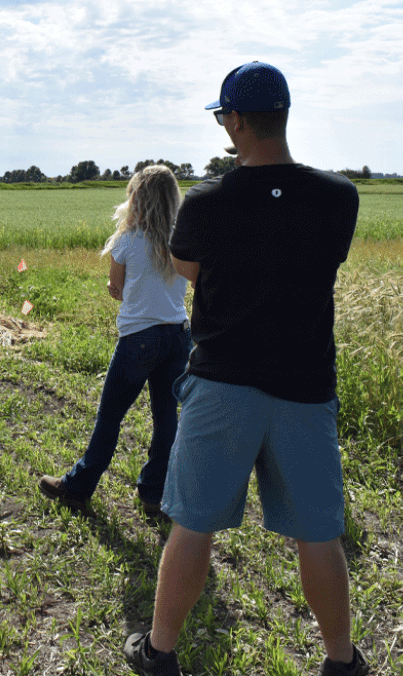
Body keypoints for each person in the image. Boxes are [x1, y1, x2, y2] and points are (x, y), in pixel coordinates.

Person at [123, 62, 366, 676]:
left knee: (192, 528)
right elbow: (318, 266)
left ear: (234, 121)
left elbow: (189, 269)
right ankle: (340, 660)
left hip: (223, 383)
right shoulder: (339, 198)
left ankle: (160, 652)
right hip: (305, 390)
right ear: (282, 116)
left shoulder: (207, 203)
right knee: (319, 534)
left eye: (222, 115)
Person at [37, 164, 189, 517]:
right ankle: (154, 493)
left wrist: (118, 289)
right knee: (167, 419)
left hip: (139, 338)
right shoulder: (181, 239)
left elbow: (117, 290)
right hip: (178, 336)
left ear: (137, 197)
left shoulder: (127, 240)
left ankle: (77, 487)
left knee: (110, 417)